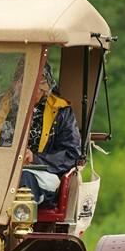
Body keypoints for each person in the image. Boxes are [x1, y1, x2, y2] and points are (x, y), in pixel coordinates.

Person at [20, 63, 82, 205]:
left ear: (44, 88)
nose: (25, 90)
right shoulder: (1, 107)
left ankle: (22, 217)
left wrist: (34, 158)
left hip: (42, 174)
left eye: (32, 85)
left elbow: (71, 155)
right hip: (2, 169)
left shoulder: (61, 111)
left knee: (23, 179)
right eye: (21, 82)